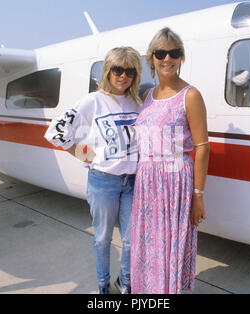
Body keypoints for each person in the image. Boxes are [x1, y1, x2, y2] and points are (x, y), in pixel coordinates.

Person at [44, 47, 142, 294]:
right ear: (108, 71)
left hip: (132, 183)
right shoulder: (92, 101)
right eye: (118, 70)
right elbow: (56, 132)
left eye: (129, 71)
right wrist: (89, 157)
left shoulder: (137, 103)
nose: (123, 76)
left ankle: (126, 282)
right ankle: (103, 286)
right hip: (103, 181)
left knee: (132, 241)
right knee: (102, 238)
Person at [131, 28, 210, 294]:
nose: (167, 59)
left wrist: (198, 196)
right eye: (160, 53)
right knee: (149, 244)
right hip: (147, 183)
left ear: (181, 57)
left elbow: (202, 148)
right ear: (151, 58)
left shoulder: (190, 96)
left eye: (174, 53)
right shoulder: (147, 96)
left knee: (171, 244)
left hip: (175, 183)